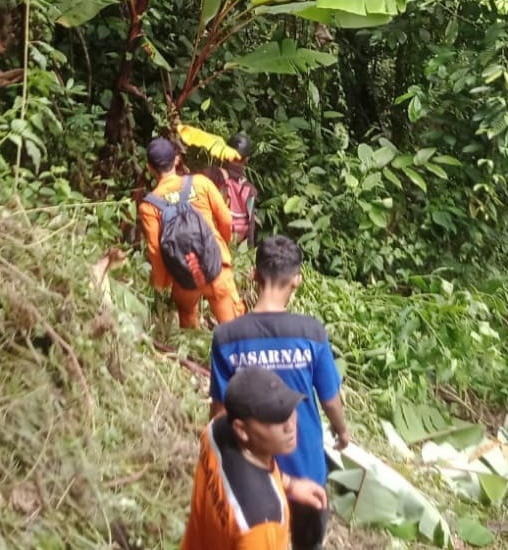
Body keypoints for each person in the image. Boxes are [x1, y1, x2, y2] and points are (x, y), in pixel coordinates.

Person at [209, 235, 349, 550]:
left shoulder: (227, 337)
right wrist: (342, 432)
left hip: (249, 473)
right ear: (297, 280)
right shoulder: (311, 333)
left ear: (254, 276)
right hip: (307, 468)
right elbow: (330, 399)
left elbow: (219, 415)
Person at [183, 366, 329, 550]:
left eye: (289, 409)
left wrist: (290, 484)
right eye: (275, 419)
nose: (290, 426)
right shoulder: (263, 521)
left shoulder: (216, 430)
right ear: (242, 430)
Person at [138, 137, 246, 329]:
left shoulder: (149, 206)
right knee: (235, 331)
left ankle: (193, 352)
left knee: (188, 322)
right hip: (217, 267)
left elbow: (155, 249)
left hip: (185, 275)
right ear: (177, 160)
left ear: (150, 168)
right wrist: (221, 245)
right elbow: (226, 220)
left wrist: (162, 283)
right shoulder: (200, 183)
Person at [207, 133, 259, 248]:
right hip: (235, 242)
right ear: (246, 160)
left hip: (211, 238)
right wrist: (249, 250)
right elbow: (250, 224)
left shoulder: (212, 174)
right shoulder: (250, 189)